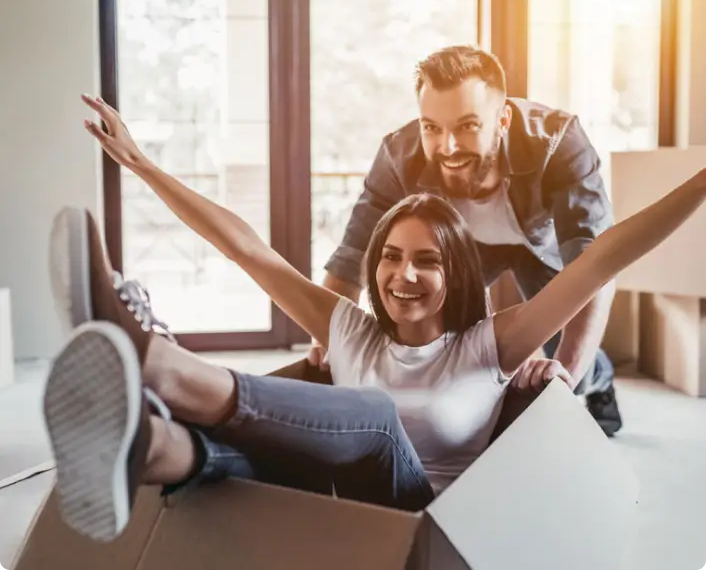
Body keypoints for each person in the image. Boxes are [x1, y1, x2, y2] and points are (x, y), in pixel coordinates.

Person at [42, 92, 705, 544]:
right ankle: (145, 448)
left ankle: (153, 359)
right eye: (390, 257)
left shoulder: (491, 345)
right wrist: (140, 162)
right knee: (234, 454)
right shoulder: (348, 327)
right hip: (322, 502)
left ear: (456, 274)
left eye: (425, 261)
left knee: (375, 414)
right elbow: (245, 247)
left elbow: (605, 255)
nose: (402, 275)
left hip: (416, 522)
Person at [308, 44, 622, 436]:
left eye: (468, 126)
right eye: (432, 128)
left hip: (539, 244)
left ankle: (600, 379)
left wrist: (567, 379)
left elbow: (595, 266)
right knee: (451, 334)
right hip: (463, 248)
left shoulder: (560, 141)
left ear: (503, 119)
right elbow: (352, 254)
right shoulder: (397, 155)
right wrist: (326, 339)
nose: (448, 146)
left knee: (566, 342)